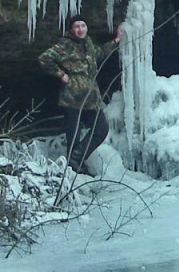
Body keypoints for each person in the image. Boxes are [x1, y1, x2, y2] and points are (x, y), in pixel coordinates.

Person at [38, 15, 123, 174]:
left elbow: (100, 52)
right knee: (73, 132)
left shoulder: (89, 44)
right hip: (72, 97)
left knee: (101, 129)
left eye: (83, 25)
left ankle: (76, 158)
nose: (80, 29)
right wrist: (61, 75)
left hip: (91, 98)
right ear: (71, 29)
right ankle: (72, 168)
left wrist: (117, 40)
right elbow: (45, 58)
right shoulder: (65, 46)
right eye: (77, 26)